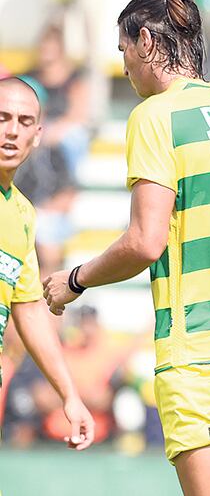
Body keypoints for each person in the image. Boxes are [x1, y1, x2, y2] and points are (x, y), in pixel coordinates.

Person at [42, 0, 210, 496]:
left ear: (148, 42)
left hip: (203, 355)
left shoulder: (156, 117)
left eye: (124, 48)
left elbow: (144, 241)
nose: (124, 63)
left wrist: (75, 280)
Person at [0, 76, 95, 449]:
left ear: (37, 135)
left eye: (24, 122)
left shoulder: (22, 213)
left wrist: (69, 394)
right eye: (2, 117)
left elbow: (28, 310)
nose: (11, 131)